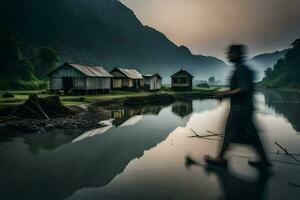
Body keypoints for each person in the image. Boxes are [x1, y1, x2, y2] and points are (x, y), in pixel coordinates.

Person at [205, 44, 272, 169]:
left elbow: (243, 89)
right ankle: (264, 161)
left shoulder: (241, 69)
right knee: (251, 135)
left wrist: (224, 93)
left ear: (236, 54)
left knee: (230, 133)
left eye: (230, 53)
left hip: (240, 109)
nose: (228, 55)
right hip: (244, 108)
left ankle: (221, 158)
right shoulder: (241, 68)